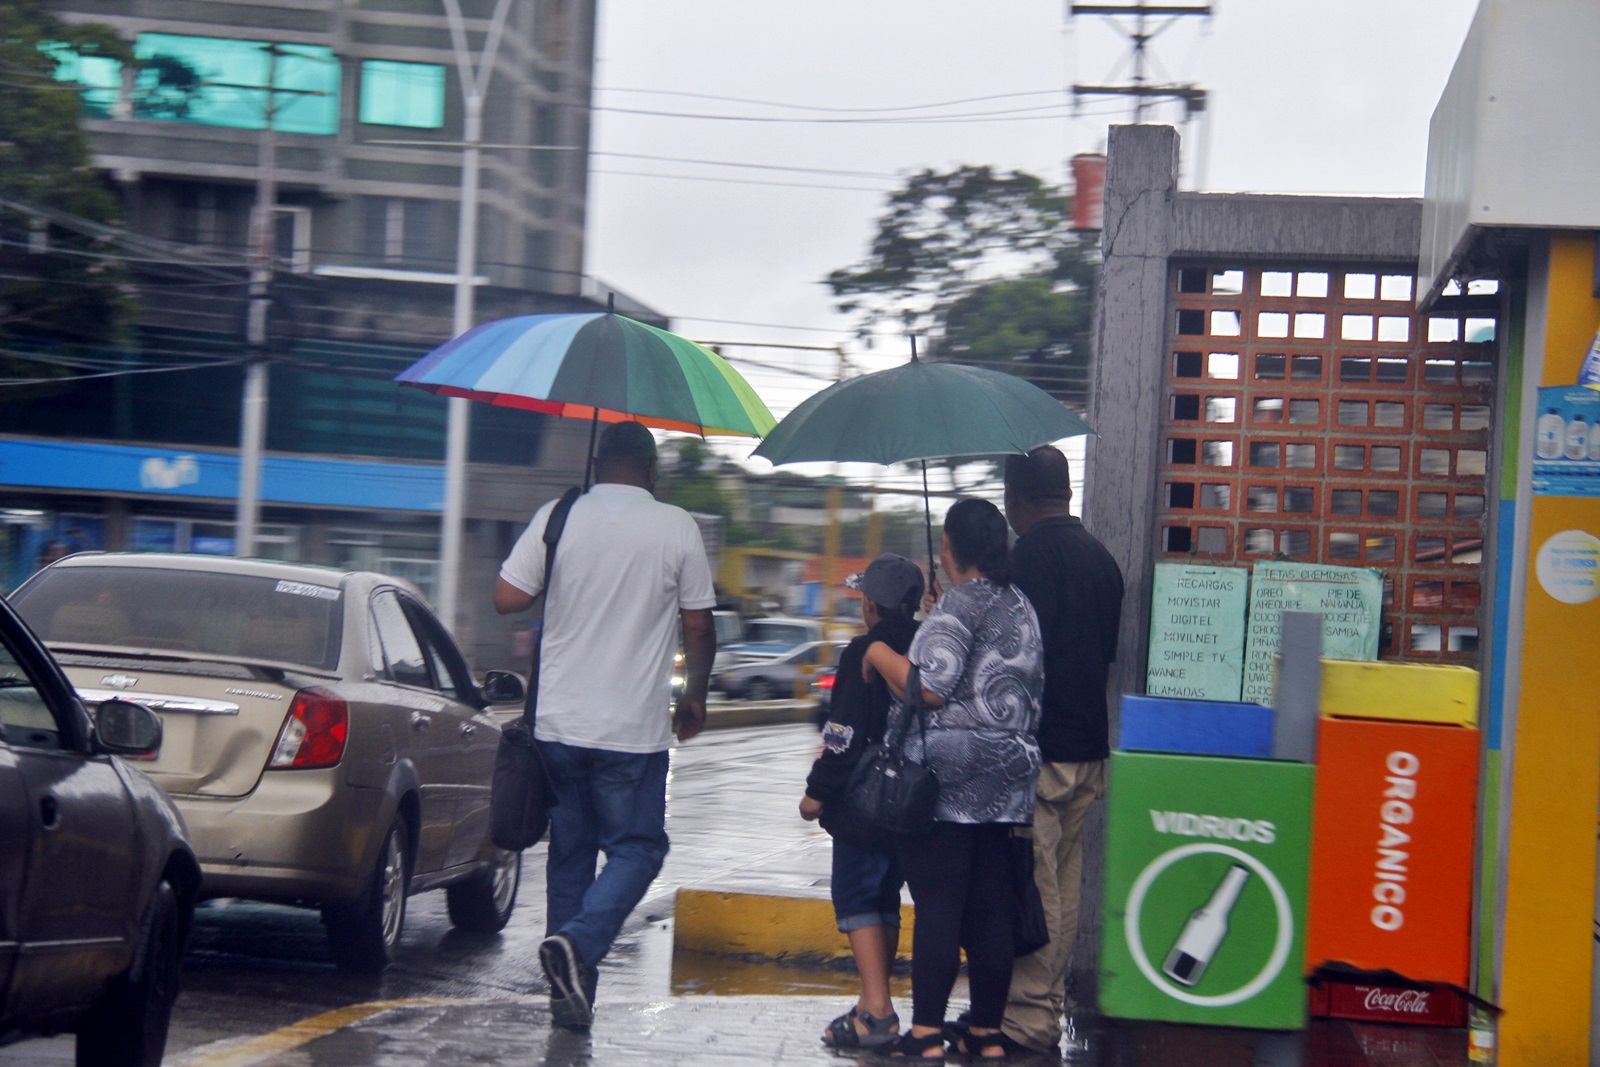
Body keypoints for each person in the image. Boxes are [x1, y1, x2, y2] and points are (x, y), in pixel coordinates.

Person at [492, 421, 717, 1033]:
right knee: (639, 848)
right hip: (632, 732)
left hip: (559, 725)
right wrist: (694, 697)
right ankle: (579, 945)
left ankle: (570, 998)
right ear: (651, 471)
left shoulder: (557, 517)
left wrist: (560, 560)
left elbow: (507, 597)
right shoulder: (677, 527)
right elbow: (698, 627)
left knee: (570, 859)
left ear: (596, 463)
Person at [863, 499, 1043, 1060]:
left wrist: (878, 651)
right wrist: (949, 616)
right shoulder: (1019, 604)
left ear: (948, 548)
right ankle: (986, 1033)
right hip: (1009, 779)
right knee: (990, 905)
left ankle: (926, 1035)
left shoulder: (961, 604)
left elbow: (930, 688)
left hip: (949, 779)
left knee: (939, 905)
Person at [998, 445, 1125, 1056]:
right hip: (1089, 748)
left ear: (1015, 498)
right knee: (1065, 883)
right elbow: (1102, 659)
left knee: (1037, 885)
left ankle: (1029, 1018)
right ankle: (1044, 1005)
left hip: (1039, 752)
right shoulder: (1103, 561)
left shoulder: (1023, 561)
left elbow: (1009, 663)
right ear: (1067, 493)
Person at [798, 553, 924, 1050]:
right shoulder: (928, 647)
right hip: (912, 803)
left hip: (864, 805)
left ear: (870, 603)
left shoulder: (864, 652)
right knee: (884, 899)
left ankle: (876, 1011)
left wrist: (815, 794)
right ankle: (876, 999)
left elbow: (842, 734)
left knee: (856, 898)